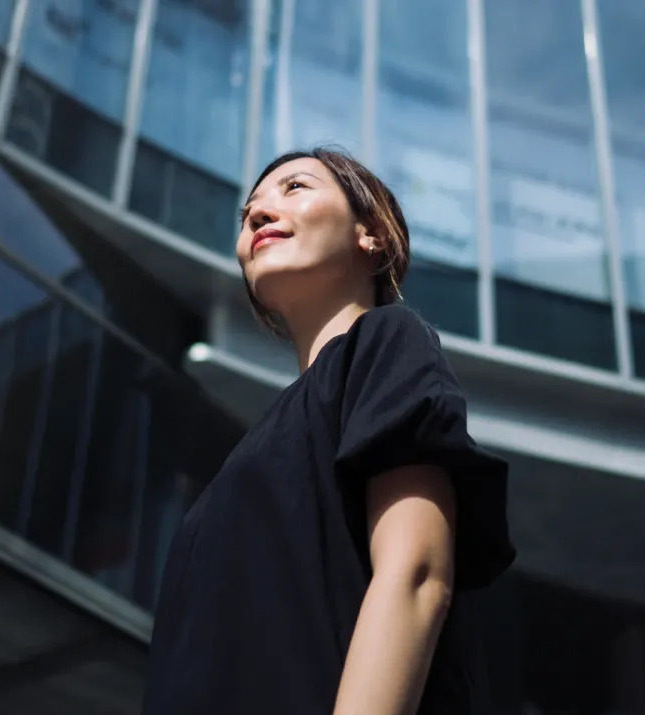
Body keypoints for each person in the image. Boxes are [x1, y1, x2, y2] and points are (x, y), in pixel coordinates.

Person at [142, 147, 515, 715]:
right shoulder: (253, 451)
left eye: (294, 188)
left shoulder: (387, 341)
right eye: (248, 214)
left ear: (371, 236)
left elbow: (416, 574)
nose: (259, 215)